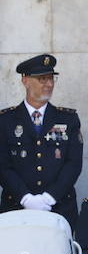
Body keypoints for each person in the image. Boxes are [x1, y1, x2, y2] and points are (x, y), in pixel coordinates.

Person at [0, 54, 83, 225]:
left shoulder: (68, 119)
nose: (49, 84)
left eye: (51, 79)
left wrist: (49, 198)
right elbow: (3, 165)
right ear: (25, 81)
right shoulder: (6, 120)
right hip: (16, 207)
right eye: (42, 79)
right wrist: (25, 198)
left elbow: (73, 164)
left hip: (59, 207)